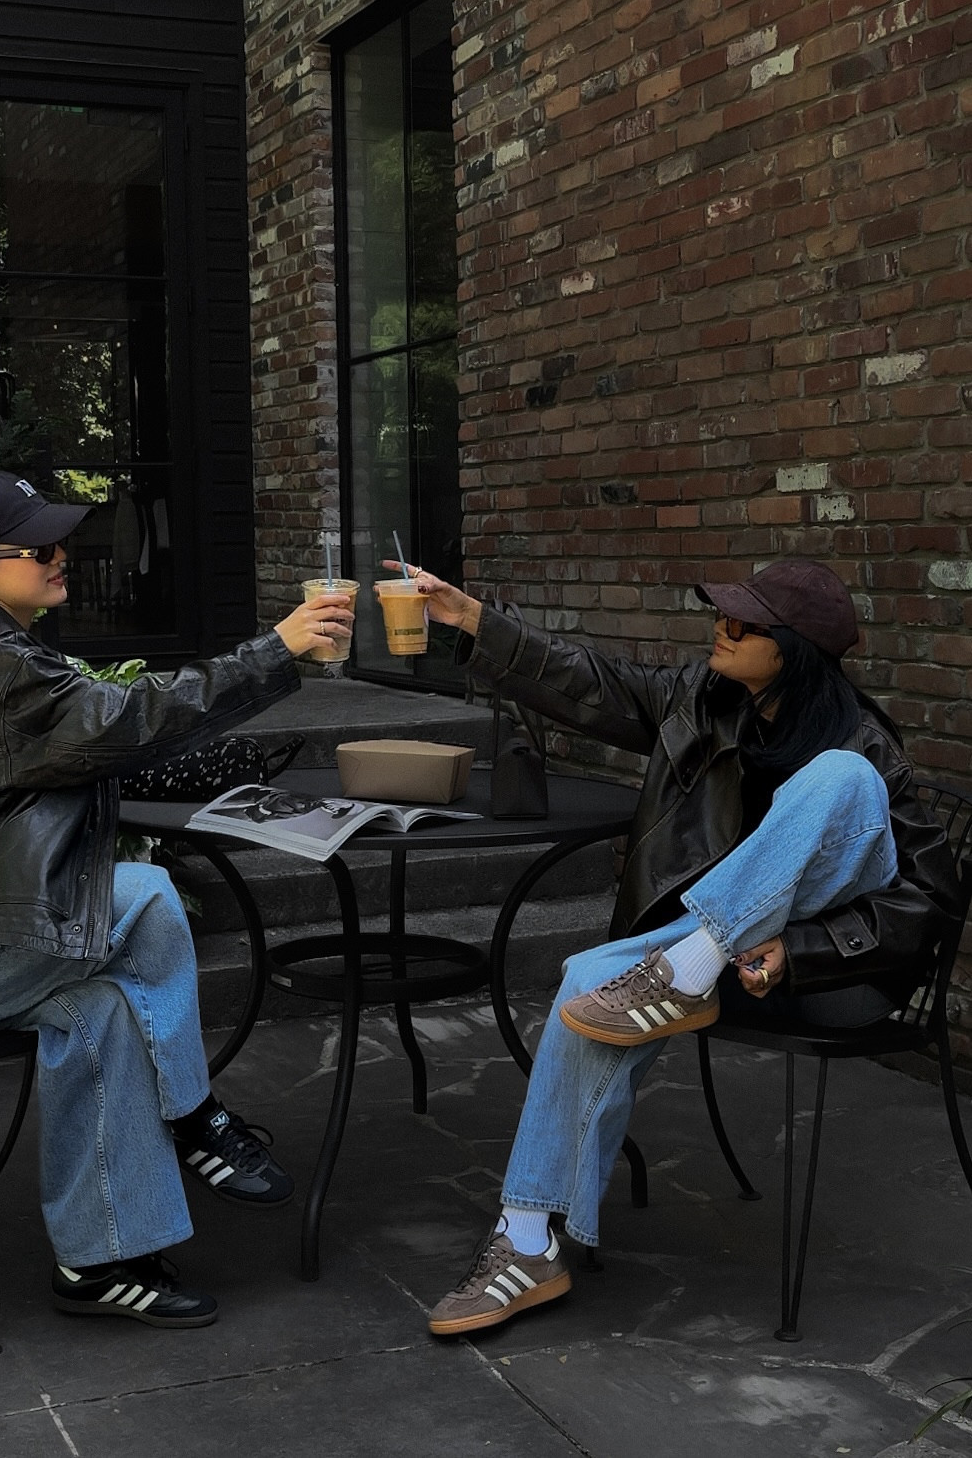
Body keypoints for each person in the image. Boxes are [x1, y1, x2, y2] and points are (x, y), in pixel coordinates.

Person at [386, 557, 960, 1338]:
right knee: (584, 979)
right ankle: (526, 1239)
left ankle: (692, 964)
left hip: (833, 972)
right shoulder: (701, 698)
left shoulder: (862, 741)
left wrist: (801, 948)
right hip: (724, 962)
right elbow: (589, 679)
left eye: (741, 622)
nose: (720, 628)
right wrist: (474, 620)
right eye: (720, 613)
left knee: (841, 777)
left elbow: (929, 900)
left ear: (792, 648)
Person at [0, 470, 355, 1329]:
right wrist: (276, 649)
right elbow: (128, 719)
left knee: (107, 1012)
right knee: (149, 891)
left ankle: (98, 1260)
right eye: (38, 547)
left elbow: (109, 734)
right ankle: (193, 1115)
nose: (62, 555)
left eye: (61, 541)